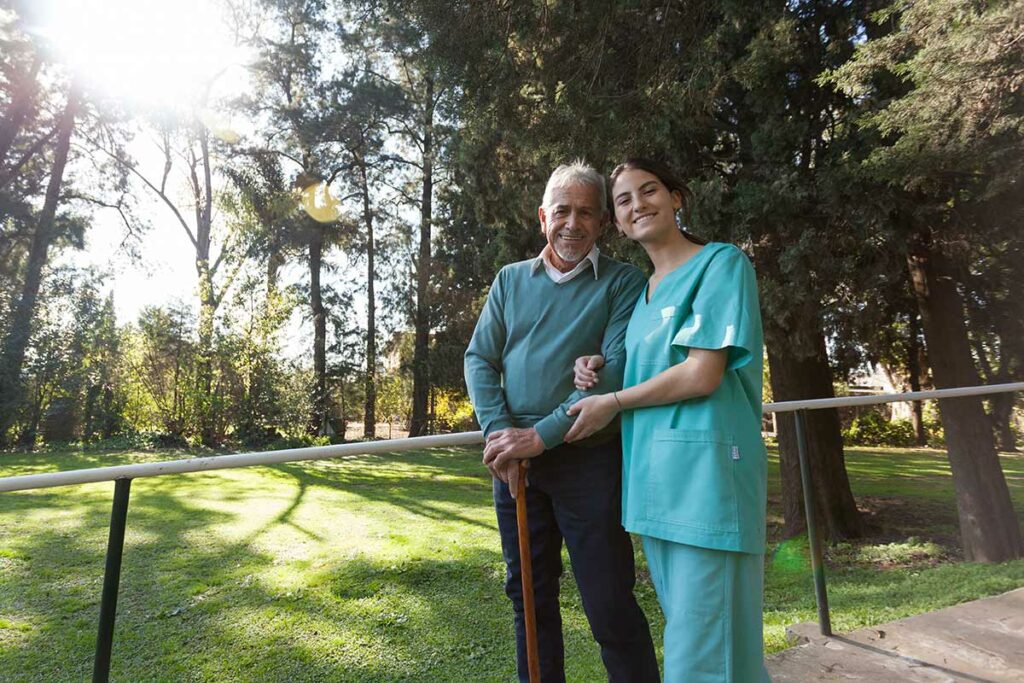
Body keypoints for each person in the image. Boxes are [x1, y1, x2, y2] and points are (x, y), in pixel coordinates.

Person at [563, 158, 771, 682]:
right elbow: (648, 367)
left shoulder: (720, 264)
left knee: (703, 657)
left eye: (648, 190)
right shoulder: (646, 290)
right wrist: (600, 366)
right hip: (655, 486)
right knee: (701, 641)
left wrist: (612, 403)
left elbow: (701, 373)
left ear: (677, 197)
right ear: (617, 220)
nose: (638, 205)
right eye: (625, 200)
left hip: (707, 485)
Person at [464, 161, 660, 683]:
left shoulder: (623, 282)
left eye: (586, 213)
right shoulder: (509, 280)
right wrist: (501, 435)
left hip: (589, 459)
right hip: (515, 466)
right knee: (528, 597)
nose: (573, 223)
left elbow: (616, 368)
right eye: (562, 211)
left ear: (602, 223)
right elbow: (479, 359)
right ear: (542, 217)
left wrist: (539, 436)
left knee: (607, 597)